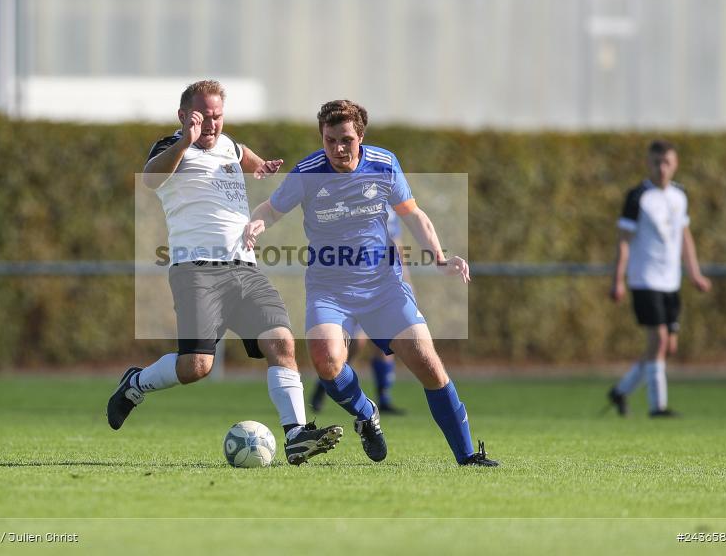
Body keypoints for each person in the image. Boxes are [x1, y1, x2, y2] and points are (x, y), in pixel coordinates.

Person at [245, 99, 498, 466]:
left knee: (429, 365)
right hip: (329, 289)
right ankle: (366, 414)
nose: (337, 149)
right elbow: (270, 208)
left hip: (384, 287)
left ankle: (467, 455)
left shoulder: (384, 164)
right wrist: (257, 223)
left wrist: (439, 257)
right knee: (325, 359)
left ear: (360, 137)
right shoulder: (308, 172)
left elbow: (413, 215)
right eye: (330, 140)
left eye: (346, 140)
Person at [107, 80, 342, 465]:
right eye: (202, 117)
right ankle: (136, 383)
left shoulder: (228, 145)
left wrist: (259, 165)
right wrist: (186, 141)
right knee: (197, 366)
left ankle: (296, 435)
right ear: (183, 116)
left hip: (245, 267)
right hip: (196, 271)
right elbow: (150, 179)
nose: (211, 124)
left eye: (217, 116)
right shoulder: (170, 148)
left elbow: (241, 152)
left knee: (282, 342)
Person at [608, 140, 711, 417]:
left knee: (668, 347)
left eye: (667, 163)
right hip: (645, 279)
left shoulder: (680, 195)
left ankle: (620, 391)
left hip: (670, 281)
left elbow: (684, 236)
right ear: (648, 163)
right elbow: (624, 241)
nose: (661, 168)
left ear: (675, 164)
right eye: (656, 162)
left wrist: (695, 272)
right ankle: (658, 407)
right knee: (659, 341)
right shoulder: (638, 196)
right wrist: (618, 280)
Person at [310, 210, 406, 415]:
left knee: (385, 342)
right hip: (354, 282)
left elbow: (396, 245)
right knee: (355, 343)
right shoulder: (357, 202)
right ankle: (324, 384)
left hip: (383, 285)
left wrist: (404, 281)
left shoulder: (391, 209)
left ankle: (384, 399)